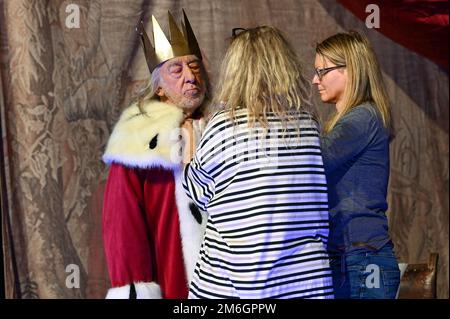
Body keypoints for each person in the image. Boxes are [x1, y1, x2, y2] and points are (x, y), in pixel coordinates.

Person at [182, 26, 334, 299]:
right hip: (305, 283)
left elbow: (196, 192)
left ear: (236, 71)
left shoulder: (224, 127)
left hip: (236, 283)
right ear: (283, 67)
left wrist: (188, 148)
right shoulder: (308, 127)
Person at [101, 10, 208, 299]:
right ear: (159, 87)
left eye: (195, 67)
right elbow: (123, 225)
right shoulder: (136, 140)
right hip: (172, 279)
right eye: (177, 70)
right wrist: (137, 287)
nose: (191, 77)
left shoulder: (221, 129)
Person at [312, 31, 400, 299]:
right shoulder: (350, 119)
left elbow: (316, 160)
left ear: (351, 69)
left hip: (361, 258)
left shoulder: (363, 117)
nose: (314, 80)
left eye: (322, 71)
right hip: (351, 256)